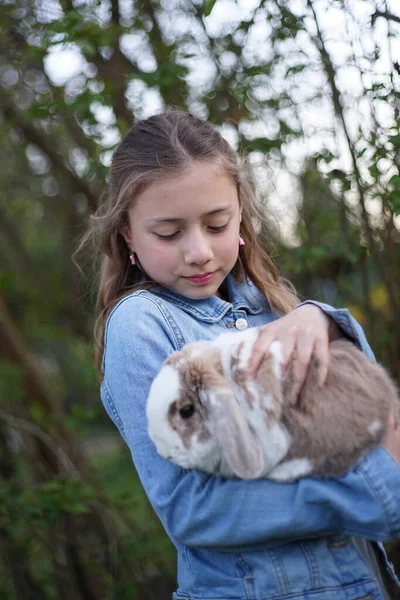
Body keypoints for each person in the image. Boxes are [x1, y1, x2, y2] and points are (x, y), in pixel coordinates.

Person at [89, 110, 400, 599]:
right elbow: (192, 508)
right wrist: (373, 488)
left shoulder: (275, 303)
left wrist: (323, 319)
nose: (199, 252)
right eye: (169, 234)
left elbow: (359, 405)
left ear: (240, 215)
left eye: (216, 224)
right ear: (127, 234)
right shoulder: (140, 325)